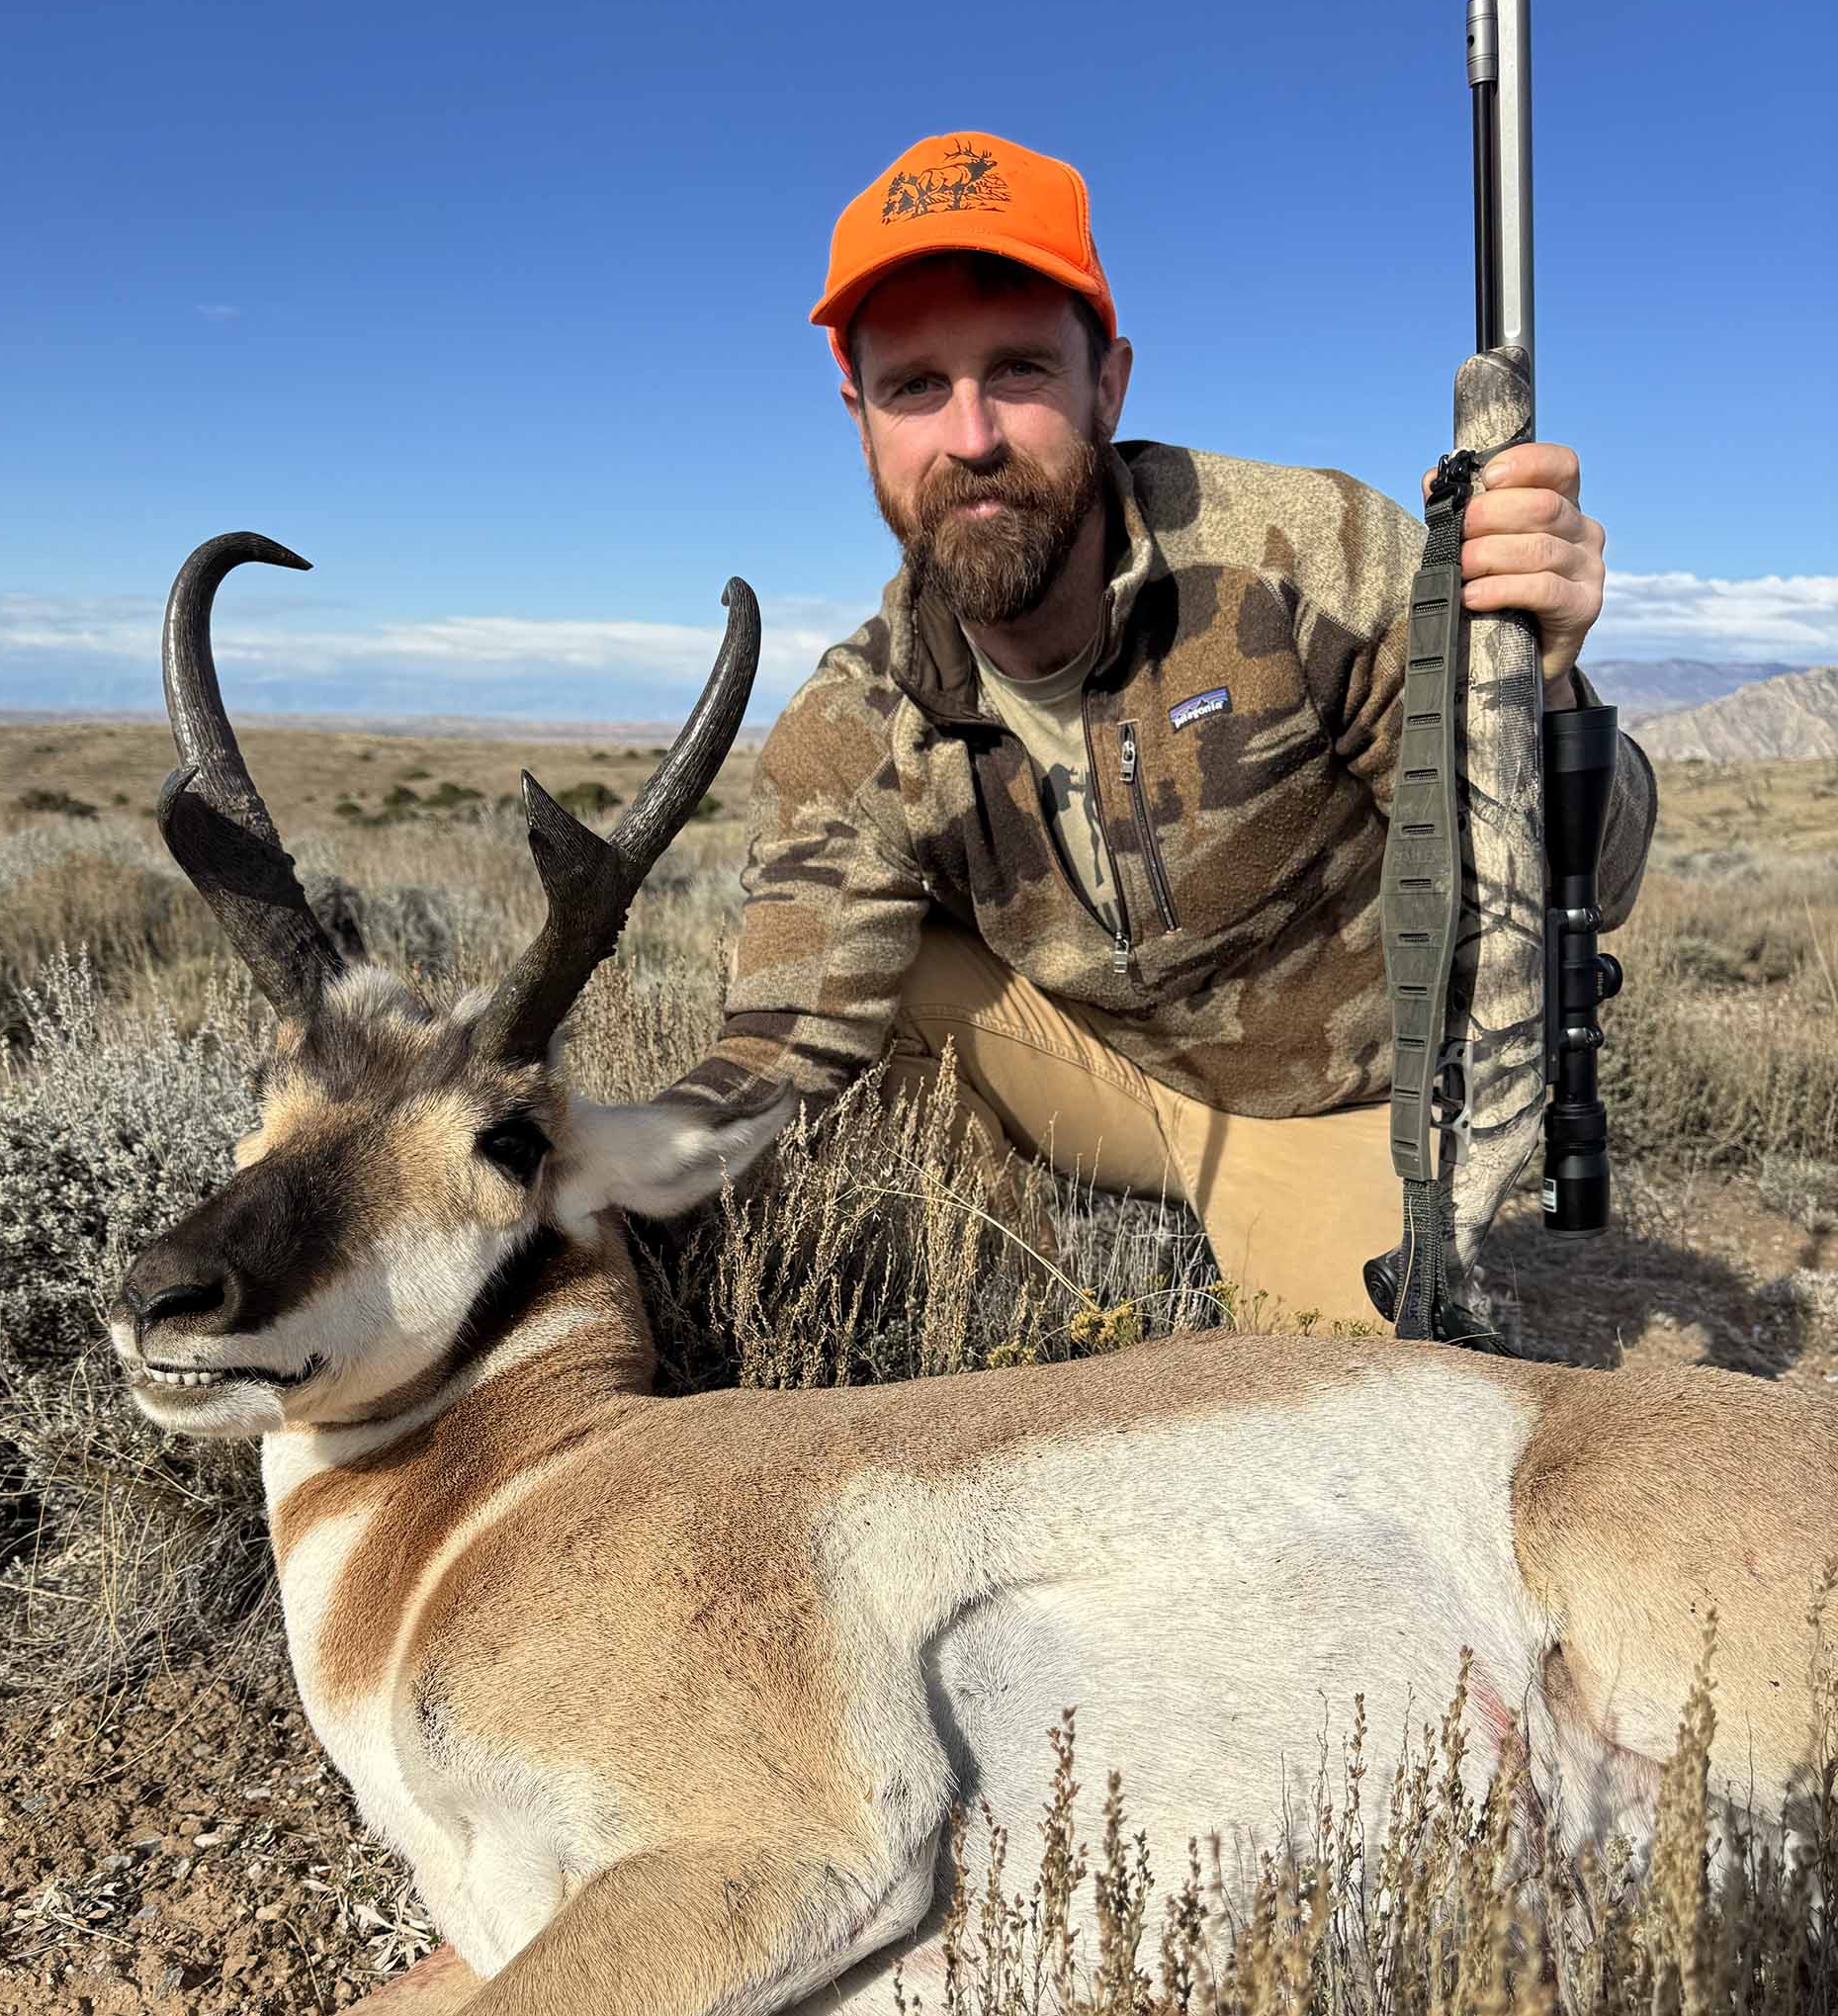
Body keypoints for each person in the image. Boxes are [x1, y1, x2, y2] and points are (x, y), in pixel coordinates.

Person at [666, 131, 1656, 1329]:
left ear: (1108, 383)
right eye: (913, 386)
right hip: (1101, 1077)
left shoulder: (1313, 558)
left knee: (1352, 1425)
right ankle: (1021, 1338)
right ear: (859, 417)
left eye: (1020, 371)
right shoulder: (851, 724)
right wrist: (594, 1167)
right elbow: (779, 1049)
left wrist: (1539, 687)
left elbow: (1589, 878)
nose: (969, 435)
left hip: (1338, 1106)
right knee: (879, 1009)